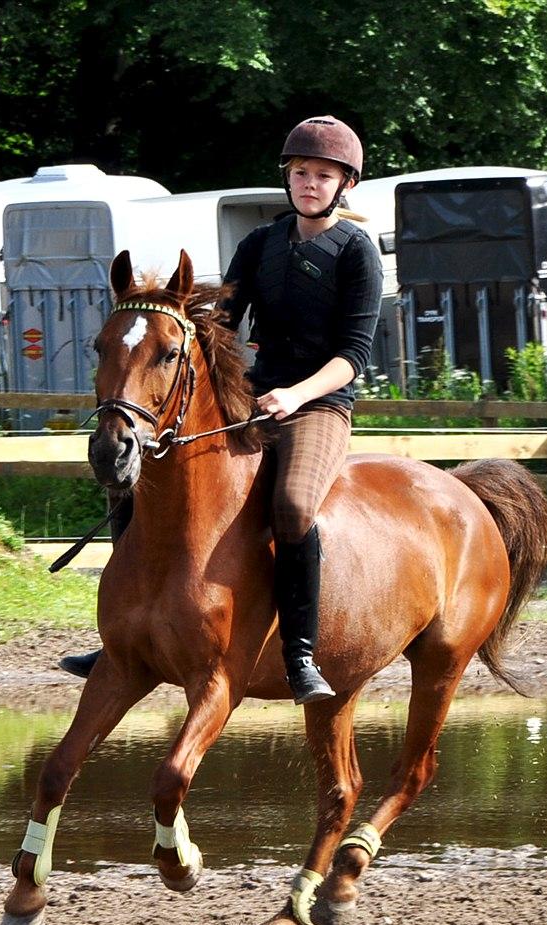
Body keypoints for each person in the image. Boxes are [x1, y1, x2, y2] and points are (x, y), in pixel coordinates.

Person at [60, 115, 383, 705]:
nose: (309, 183)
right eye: (301, 172)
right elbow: (221, 331)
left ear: (346, 185)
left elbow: (354, 356)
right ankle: (122, 639)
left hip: (320, 404)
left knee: (291, 506)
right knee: (140, 482)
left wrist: (296, 394)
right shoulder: (260, 245)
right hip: (253, 398)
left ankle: (300, 652)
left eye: (323, 175)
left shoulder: (357, 252)